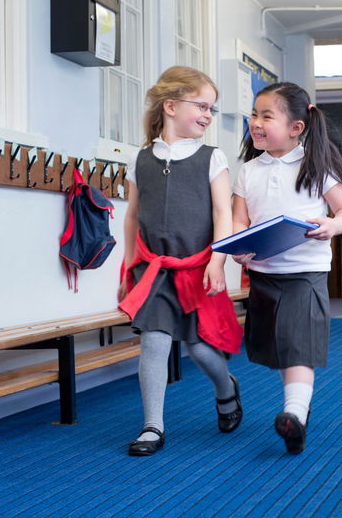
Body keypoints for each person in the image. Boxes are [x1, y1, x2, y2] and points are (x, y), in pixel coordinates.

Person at [118, 66, 244, 456]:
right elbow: (133, 216)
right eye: (202, 106)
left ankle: (227, 388)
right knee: (153, 343)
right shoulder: (139, 159)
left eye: (211, 108)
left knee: (200, 347)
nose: (208, 115)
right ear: (170, 106)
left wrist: (218, 261)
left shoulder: (212, 156)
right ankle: (152, 426)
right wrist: (128, 267)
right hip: (153, 269)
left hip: (197, 268)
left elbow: (223, 213)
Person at [231, 82, 342, 454]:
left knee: (298, 347)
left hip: (305, 274)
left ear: (296, 127)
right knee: (281, 348)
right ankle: (298, 411)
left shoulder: (316, 167)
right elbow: (240, 219)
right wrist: (240, 246)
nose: (255, 122)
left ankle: (295, 414)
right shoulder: (248, 171)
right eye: (254, 114)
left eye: (266, 115)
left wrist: (333, 225)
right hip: (265, 276)